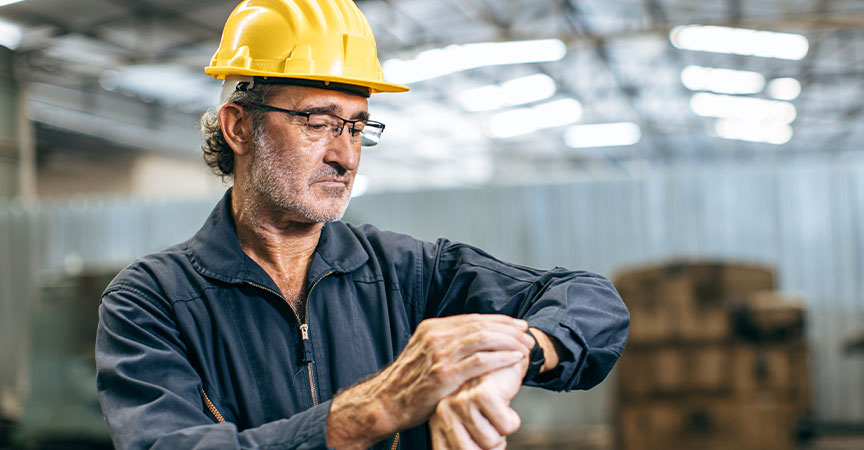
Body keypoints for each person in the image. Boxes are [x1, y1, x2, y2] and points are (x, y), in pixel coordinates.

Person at [94, 0, 630, 449]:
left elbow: (589, 300)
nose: (345, 156)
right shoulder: (152, 301)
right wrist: (368, 411)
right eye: (319, 122)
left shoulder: (408, 273)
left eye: (357, 128)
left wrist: (519, 354)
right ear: (238, 126)